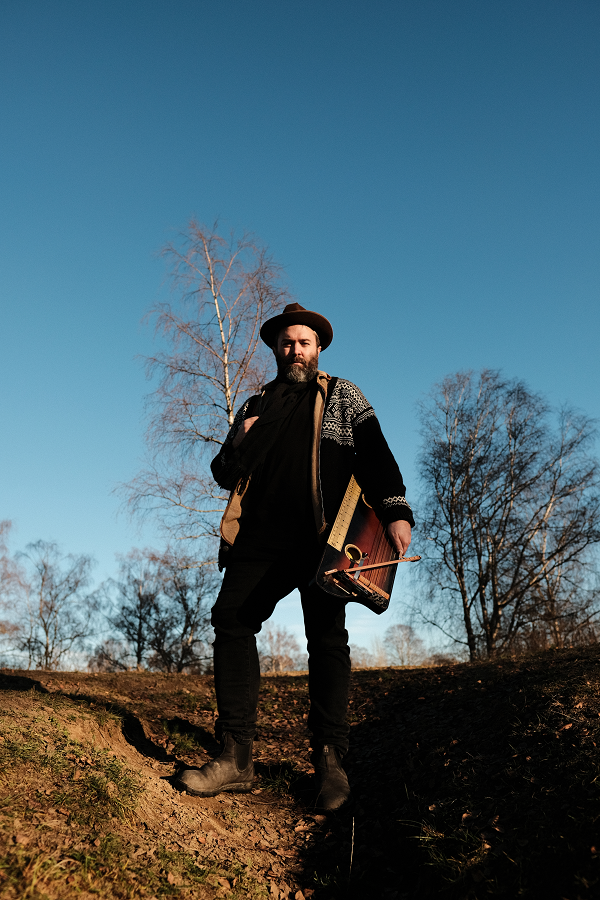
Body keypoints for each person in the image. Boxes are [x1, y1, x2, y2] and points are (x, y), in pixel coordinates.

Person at [176, 303, 414, 809]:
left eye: (304, 342)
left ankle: (330, 764)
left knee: (326, 639)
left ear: (318, 347)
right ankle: (235, 756)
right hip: (259, 537)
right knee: (232, 620)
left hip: (323, 539)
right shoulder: (255, 404)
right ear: (276, 349)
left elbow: (376, 455)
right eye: (287, 343)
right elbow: (222, 473)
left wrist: (396, 511)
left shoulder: (343, 396)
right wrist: (238, 441)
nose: (295, 350)